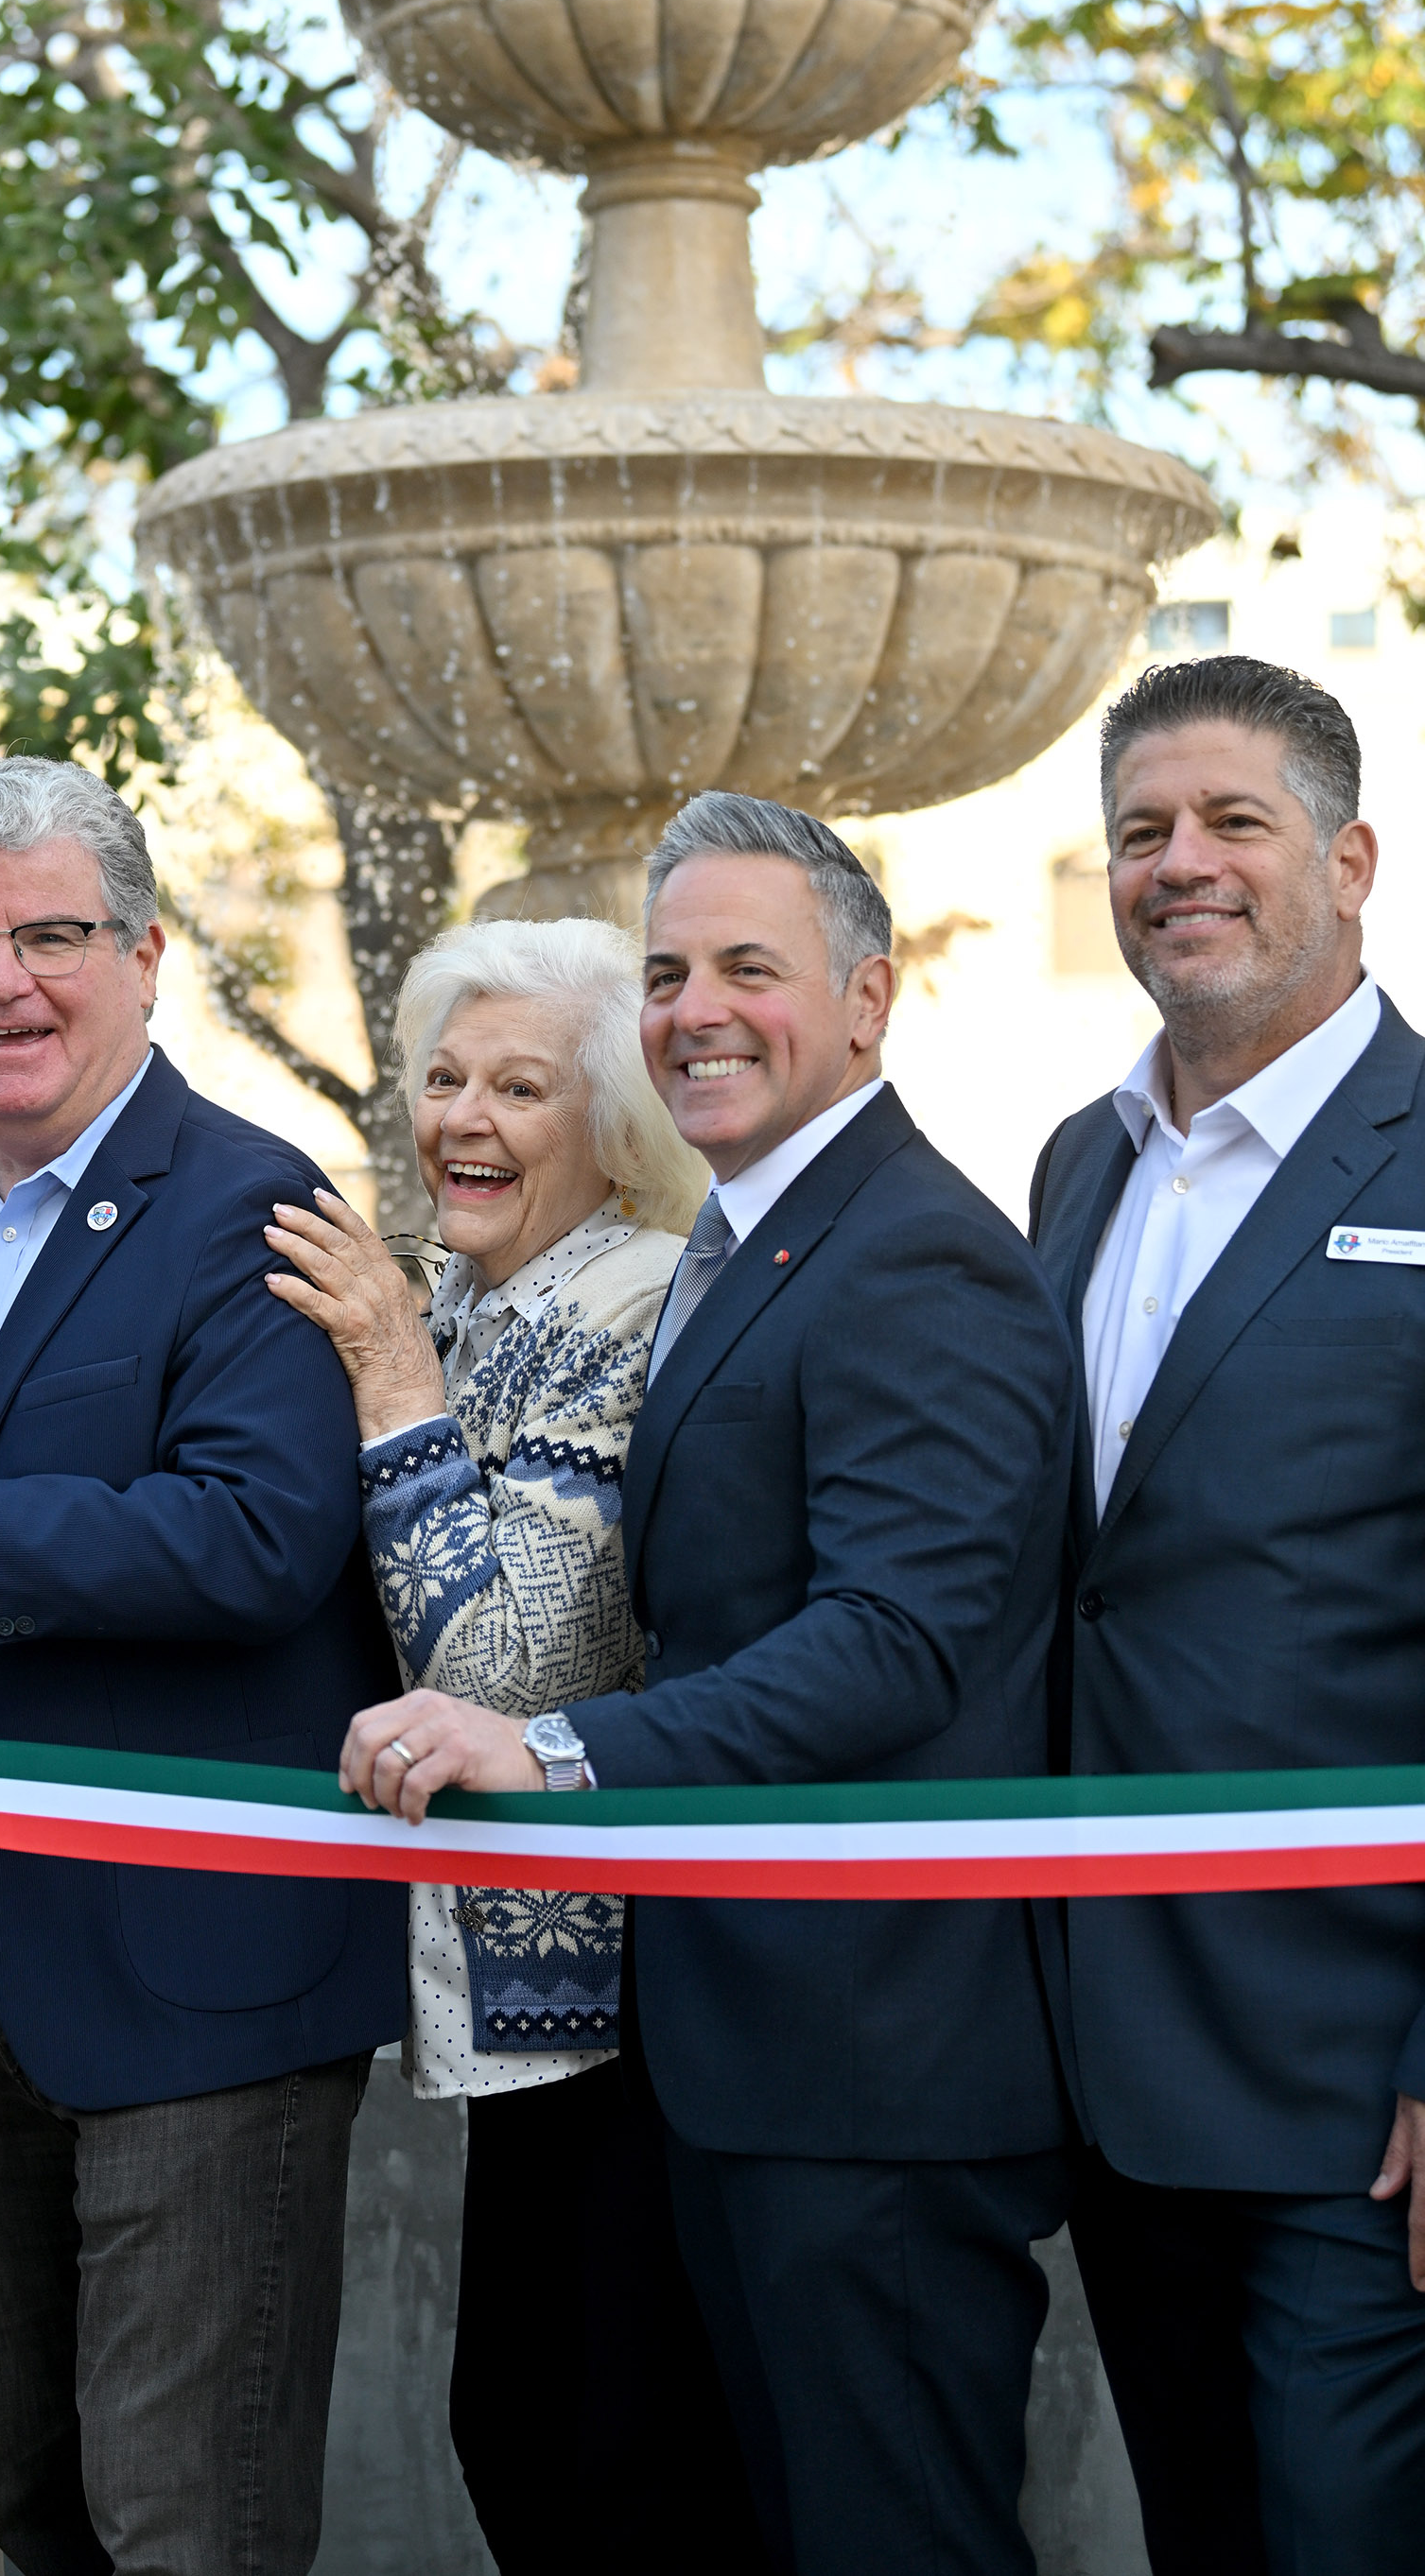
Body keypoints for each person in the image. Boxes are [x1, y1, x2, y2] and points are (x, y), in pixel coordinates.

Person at [342, 793, 1076, 2576]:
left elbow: (898, 1639)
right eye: (668, 972)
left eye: (751, 968)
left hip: (874, 2065)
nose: (695, 1009)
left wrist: (556, 1744)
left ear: (868, 998)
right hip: (740, 2049)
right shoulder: (751, 1249)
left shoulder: (922, 1255)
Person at [0, 753, 405, 2576]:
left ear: (143, 956)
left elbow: (262, 1537)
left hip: (202, 1983)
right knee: (35, 2502)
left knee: (180, 2523)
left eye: (52, 935)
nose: (5, 982)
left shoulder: (247, 1205)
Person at [262, 913, 756, 2571]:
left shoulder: (618, 1298)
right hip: (514, 2003)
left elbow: (505, 1666)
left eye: (519, 1087)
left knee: (592, 2455)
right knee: (525, 2433)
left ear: (609, 1123)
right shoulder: (481, 1297)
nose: (460, 1117)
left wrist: (388, 1361)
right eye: (445, 1077)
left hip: (620, 2007)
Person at [1029, 654, 1425, 2575]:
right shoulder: (1073, 1166)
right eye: (1136, 833)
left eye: (1229, 824)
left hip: (1357, 2083)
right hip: (1106, 2066)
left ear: (1346, 862)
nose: (1175, 865)